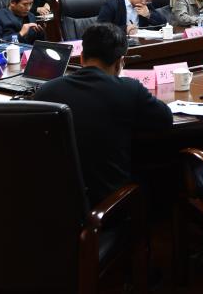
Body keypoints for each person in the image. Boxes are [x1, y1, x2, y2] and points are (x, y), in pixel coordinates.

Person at [34, 22, 172, 207]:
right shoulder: (129, 89)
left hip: (55, 203)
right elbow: (165, 119)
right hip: (109, 204)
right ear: (120, 62)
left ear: (81, 58)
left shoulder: (46, 91)